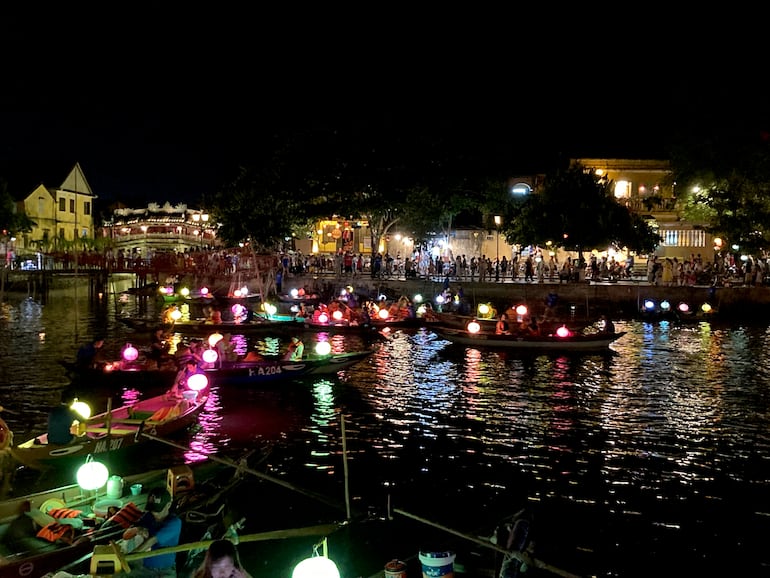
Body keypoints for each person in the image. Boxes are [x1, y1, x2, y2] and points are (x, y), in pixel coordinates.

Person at [121, 486, 181, 577]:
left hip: (165, 571)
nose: (154, 513)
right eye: (152, 509)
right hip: (145, 568)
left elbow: (152, 540)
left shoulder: (175, 523)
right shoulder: (148, 516)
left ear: (168, 505)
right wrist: (137, 529)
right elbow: (125, 536)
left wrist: (131, 556)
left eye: (158, 510)